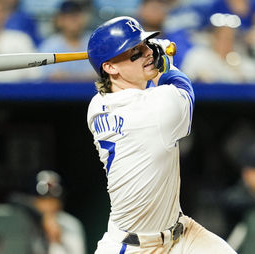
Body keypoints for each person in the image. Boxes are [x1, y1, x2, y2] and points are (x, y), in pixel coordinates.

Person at [86, 16, 236, 253]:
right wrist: (166, 63)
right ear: (110, 67)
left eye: (146, 45)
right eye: (134, 51)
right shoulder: (154, 109)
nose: (147, 52)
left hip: (181, 235)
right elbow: (182, 89)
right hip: (133, 247)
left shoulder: (97, 105)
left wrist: (144, 60)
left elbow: (143, 92)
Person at [181, 13, 255, 83]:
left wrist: (238, 73)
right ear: (213, 37)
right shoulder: (198, 55)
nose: (225, 42)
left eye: (229, 38)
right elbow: (184, 81)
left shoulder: (239, 59)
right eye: (221, 37)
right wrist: (199, 79)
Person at [38, 1, 95, 81]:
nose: (72, 20)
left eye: (76, 16)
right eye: (67, 17)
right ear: (59, 20)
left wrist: (67, 76)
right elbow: (50, 76)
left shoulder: (95, 42)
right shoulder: (49, 45)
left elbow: (100, 74)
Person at [32, 170, 86, 254]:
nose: (49, 205)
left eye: (53, 199)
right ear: (35, 201)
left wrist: (58, 240)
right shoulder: (27, 222)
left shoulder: (70, 224)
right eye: (44, 199)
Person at [137, 0, 193, 69]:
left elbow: (189, 59)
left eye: (159, 9)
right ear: (141, 10)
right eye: (153, 9)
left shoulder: (175, 37)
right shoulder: (132, 37)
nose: (155, 13)